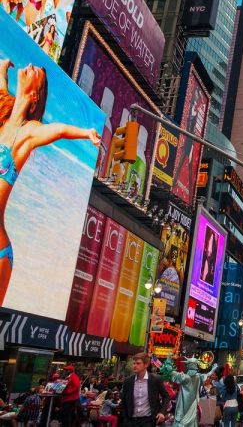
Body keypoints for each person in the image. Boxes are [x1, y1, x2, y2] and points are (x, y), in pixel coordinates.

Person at [0, 60, 101, 303]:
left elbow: (58, 130)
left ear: (35, 95)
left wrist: (86, 132)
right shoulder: (3, 119)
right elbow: (1, 87)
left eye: (38, 74)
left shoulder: (29, 132)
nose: (32, 65)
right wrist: (3, 68)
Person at [121, 352, 171, 427]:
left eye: (138, 363)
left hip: (148, 420)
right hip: (131, 421)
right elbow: (124, 401)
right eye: (134, 363)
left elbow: (166, 397)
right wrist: (125, 419)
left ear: (146, 364)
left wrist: (162, 412)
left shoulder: (155, 380)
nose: (135, 366)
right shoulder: (128, 381)